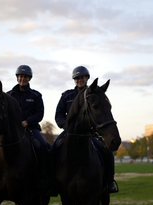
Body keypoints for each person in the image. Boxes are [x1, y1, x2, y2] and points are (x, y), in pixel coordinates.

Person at [0, 65, 49, 187]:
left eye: (25, 77)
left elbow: (39, 113)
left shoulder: (36, 95)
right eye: (20, 76)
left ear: (29, 78)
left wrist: (27, 121)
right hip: (11, 130)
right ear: (17, 78)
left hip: (30, 128)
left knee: (42, 145)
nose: (22, 79)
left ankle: (44, 176)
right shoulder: (8, 95)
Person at [48, 66, 118, 196]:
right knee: (53, 149)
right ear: (75, 79)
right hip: (70, 132)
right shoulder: (67, 95)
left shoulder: (93, 95)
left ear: (87, 78)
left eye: (83, 77)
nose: (80, 80)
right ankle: (51, 182)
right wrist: (66, 125)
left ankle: (109, 181)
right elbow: (59, 115)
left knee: (106, 150)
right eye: (78, 78)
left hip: (89, 133)